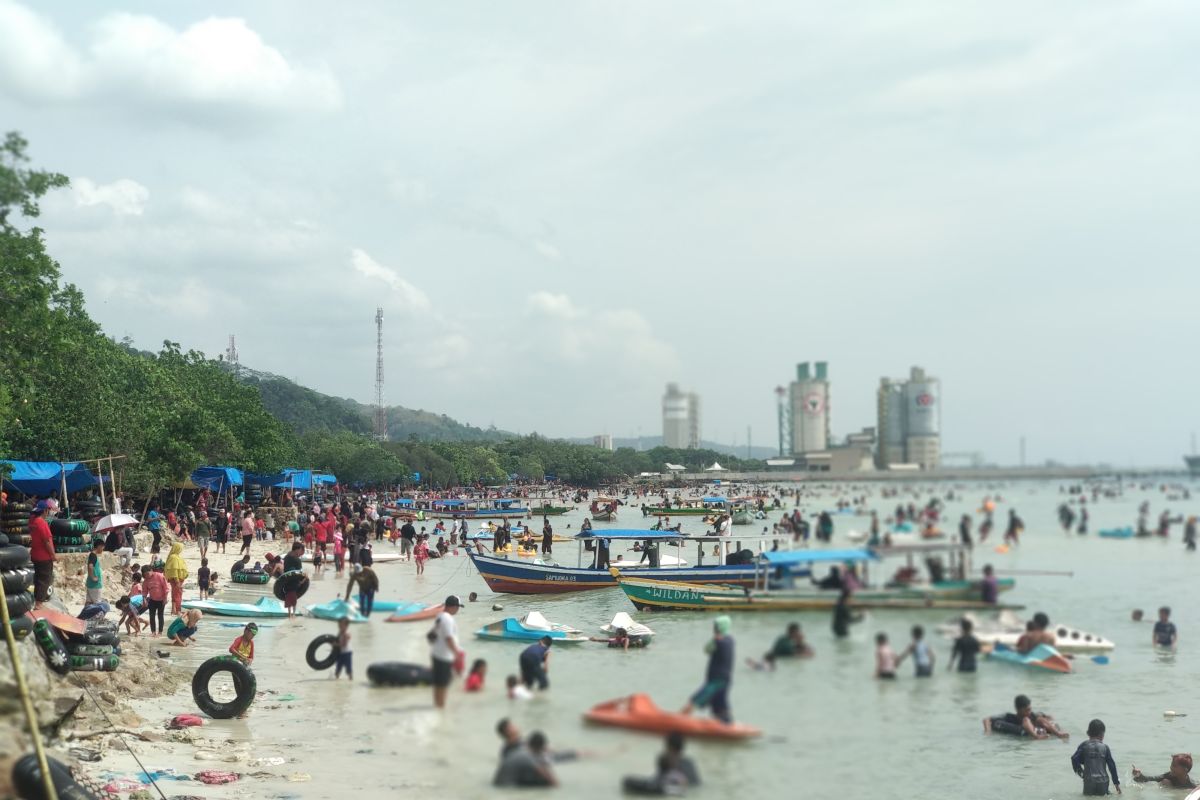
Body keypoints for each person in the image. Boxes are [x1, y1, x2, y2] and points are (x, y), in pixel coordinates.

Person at [681, 616, 735, 723]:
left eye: (715, 626)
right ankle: (726, 723)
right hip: (725, 679)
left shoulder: (718, 640)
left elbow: (706, 649)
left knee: (695, 701)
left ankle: (678, 720)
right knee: (720, 707)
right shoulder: (730, 640)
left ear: (719, 627)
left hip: (716, 680)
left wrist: (715, 638)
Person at [623, 732, 702, 795]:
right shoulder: (689, 763)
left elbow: (656, 780)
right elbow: (695, 784)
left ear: (669, 746)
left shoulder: (666, 759)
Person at [429, 595, 463, 708]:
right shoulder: (448, 619)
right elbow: (449, 638)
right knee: (443, 685)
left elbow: (433, 634)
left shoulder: (440, 616)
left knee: (438, 684)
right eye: (458, 607)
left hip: (436, 654)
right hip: (444, 656)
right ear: (453, 607)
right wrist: (456, 654)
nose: (458, 610)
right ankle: (441, 706)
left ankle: (437, 706)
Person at [984, 695, 1069, 740]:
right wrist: (988, 731)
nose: (1029, 712)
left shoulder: (1032, 714)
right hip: (1024, 729)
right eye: (1026, 710)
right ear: (1018, 710)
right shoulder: (1009, 716)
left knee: (1040, 719)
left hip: (1036, 727)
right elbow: (986, 719)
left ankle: (1058, 734)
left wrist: (1054, 725)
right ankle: (1036, 736)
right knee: (1026, 719)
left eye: (1030, 709)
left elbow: (1047, 718)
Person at [1070, 719, 1121, 795]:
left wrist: (1082, 773)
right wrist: (1116, 783)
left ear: (1088, 733)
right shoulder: (1105, 747)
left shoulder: (1084, 745)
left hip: (1089, 780)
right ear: (1102, 734)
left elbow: (1074, 759)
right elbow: (1112, 766)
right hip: (1103, 780)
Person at [28, 499, 57, 610]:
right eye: (48, 510)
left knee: (38, 578)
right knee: (44, 579)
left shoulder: (32, 521)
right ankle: (39, 604)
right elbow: (47, 541)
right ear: (45, 510)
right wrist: (53, 555)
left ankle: (37, 601)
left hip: (35, 554)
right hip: (44, 556)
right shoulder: (42, 523)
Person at [1132, 753, 1196, 789]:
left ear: (1185, 769)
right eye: (1171, 765)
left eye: (1174, 766)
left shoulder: (1191, 784)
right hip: (1168, 792)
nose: (1171, 767)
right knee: (1165, 782)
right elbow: (1149, 779)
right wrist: (1138, 775)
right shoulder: (1168, 776)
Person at [163, 542, 188, 615]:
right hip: (176, 580)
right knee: (178, 595)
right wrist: (177, 581)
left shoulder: (176, 557)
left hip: (179, 579)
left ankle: (174, 610)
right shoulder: (173, 557)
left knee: (175, 594)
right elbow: (174, 570)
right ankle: (178, 610)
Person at [143, 564, 168, 635]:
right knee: (151, 616)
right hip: (152, 600)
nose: (147, 576)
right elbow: (144, 591)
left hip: (161, 599)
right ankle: (153, 632)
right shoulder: (146, 580)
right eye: (145, 575)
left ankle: (160, 632)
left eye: (147, 573)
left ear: (151, 570)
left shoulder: (160, 576)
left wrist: (165, 598)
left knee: (160, 616)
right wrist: (144, 600)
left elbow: (166, 588)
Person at [85, 537, 105, 605]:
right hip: (95, 585)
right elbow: (90, 566)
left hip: (91, 584)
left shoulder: (92, 555)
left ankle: (84, 612)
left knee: (88, 603)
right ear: (99, 546)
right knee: (97, 604)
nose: (102, 550)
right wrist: (93, 577)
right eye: (102, 547)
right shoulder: (93, 555)